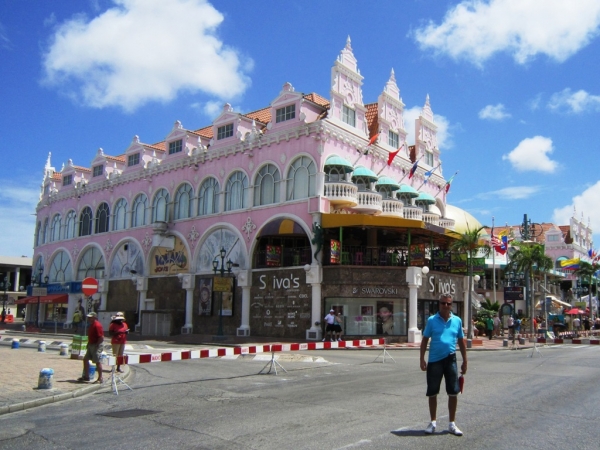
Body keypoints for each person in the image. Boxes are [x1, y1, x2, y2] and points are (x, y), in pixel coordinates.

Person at [420, 294, 467, 436]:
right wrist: (422, 359)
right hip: (434, 361)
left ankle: (452, 424)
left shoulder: (457, 321)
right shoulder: (432, 320)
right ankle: (433, 422)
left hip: (450, 359)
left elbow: (461, 341)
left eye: (448, 304)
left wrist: (465, 360)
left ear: (451, 305)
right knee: (432, 392)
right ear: (438, 304)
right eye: (443, 303)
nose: (445, 306)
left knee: (453, 392)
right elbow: (424, 340)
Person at [78, 312, 104, 383]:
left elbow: (101, 337)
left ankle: (100, 378)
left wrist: (97, 345)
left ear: (94, 317)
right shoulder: (91, 325)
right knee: (85, 359)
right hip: (91, 344)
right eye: (88, 317)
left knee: (97, 361)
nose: (89, 319)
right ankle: (86, 376)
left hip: (96, 345)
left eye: (90, 317)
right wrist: (89, 344)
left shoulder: (97, 325)